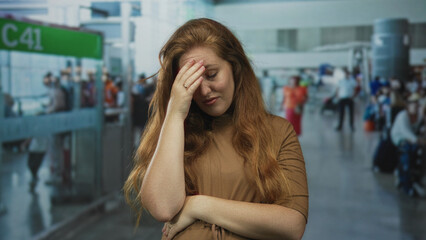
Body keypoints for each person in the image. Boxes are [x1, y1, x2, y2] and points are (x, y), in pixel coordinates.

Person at [124, 18, 308, 240]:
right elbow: (163, 208)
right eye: (190, 82)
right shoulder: (176, 132)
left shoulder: (277, 131)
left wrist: (198, 206)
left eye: (211, 75)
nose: (203, 91)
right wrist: (174, 113)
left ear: (235, 68)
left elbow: (292, 224)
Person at [391, 93, 426, 196]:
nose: (415, 107)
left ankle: (418, 176)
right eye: (413, 104)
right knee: (407, 150)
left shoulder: (419, 117)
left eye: (417, 105)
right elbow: (406, 132)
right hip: (400, 138)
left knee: (420, 152)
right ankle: (405, 179)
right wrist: (419, 140)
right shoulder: (403, 116)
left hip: (413, 140)